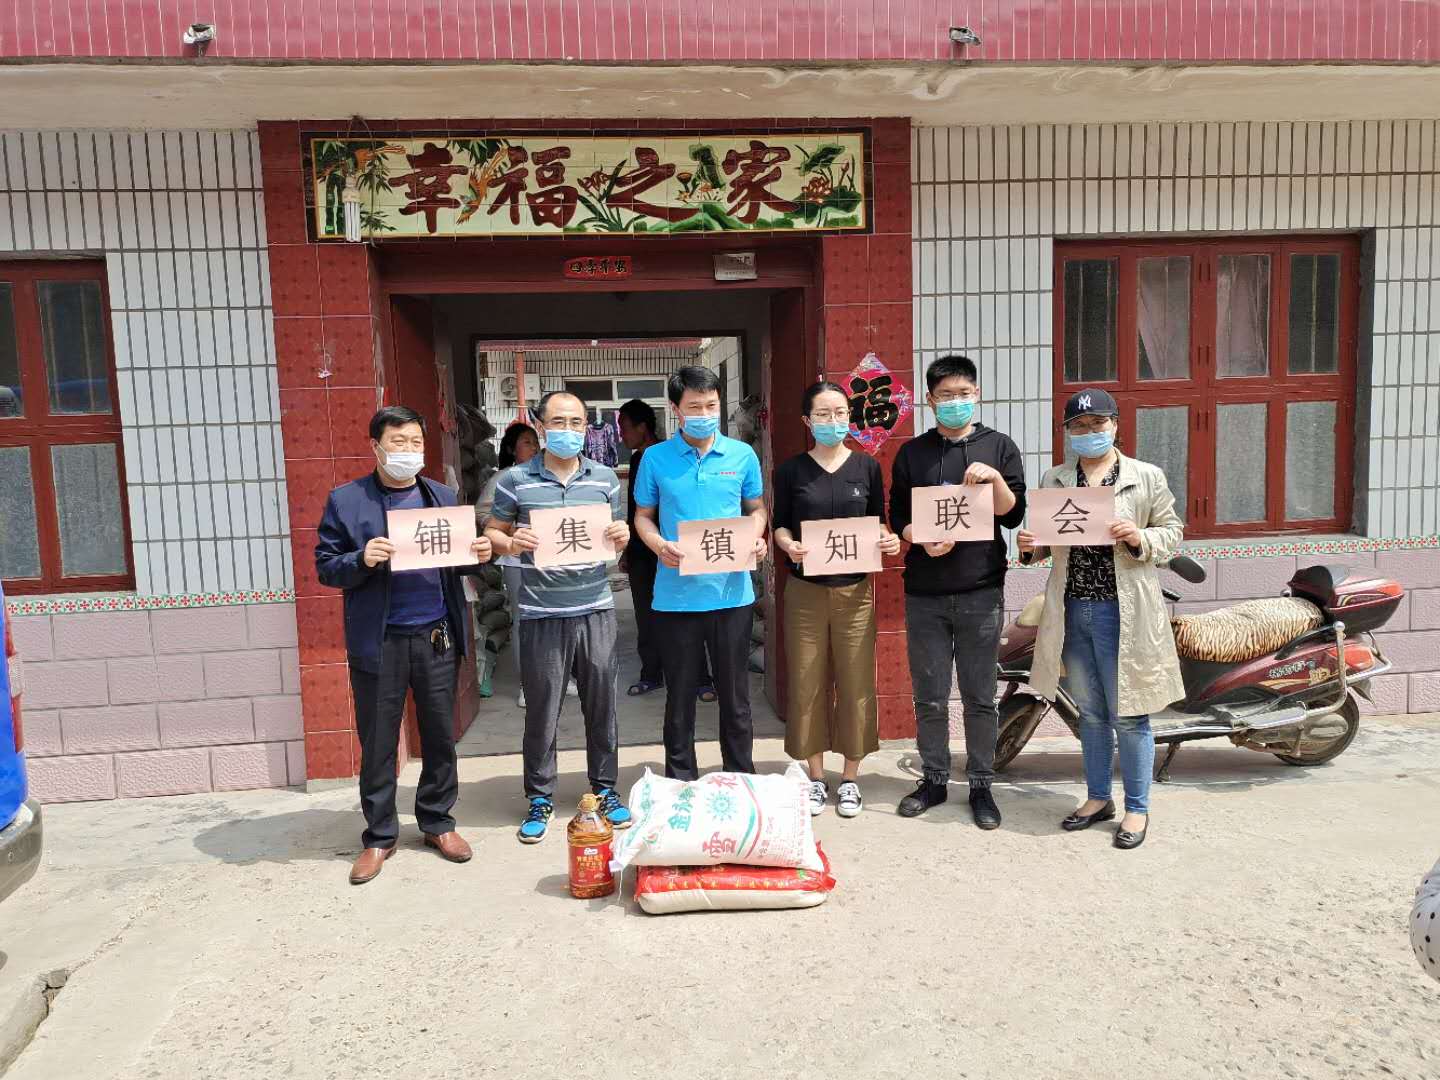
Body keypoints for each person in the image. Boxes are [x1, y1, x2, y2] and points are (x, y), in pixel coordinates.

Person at [315, 406, 492, 885]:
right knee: (378, 740)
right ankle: (379, 834)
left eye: (416, 442)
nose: (409, 450)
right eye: (398, 442)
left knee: (439, 734)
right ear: (375, 446)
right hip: (381, 639)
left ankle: (437, 821)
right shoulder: (347, 501)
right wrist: (361, 558)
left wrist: (478, 553)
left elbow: (457, 561)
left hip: (434, 633)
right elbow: (326, 566)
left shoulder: (441, 496)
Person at [1019, 388, 1185, 851]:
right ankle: (1097, 798)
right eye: (1078, 426)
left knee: (1129, 714)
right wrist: (1030, 545)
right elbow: (1046, 545)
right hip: (1073, 607)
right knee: (1090, 712)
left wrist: (1138, 536)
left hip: (1123, 610)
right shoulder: (1056, 478)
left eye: (1097, 424)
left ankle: (1137, 806)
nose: (1088, 432)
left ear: (1115, 425)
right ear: (1067, 432)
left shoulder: (1145, 476)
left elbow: (1172, 533)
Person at [485, 391, 633, 844]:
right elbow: (493, 532)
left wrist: (622, 533)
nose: (568, 430)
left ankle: (604, 788)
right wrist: (512, 543)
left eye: (576, 422)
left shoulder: (605, 478)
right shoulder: (515, 480)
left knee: (602, 705)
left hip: (595, 607)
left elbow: (617, 533)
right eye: (558, 422)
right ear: (541, 425)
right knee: (543, 708)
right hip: (540, 611)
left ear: (587, 427)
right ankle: (540, 796)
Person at [889, 354, 1026, 828]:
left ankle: (982, 784)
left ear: (977, 394)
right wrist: (918, 537)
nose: (955, 402)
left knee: (979, 696)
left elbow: (1013, 514)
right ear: (930, 400)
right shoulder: (913, 453)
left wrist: (994, 480)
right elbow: (897, 516)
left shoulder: (1000, 446)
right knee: (929, 696)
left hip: (980, 591)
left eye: (963, 393)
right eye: (945, 395)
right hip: (924, 594)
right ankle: (934, 778)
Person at [633, 365, 768, 780]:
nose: (705, 414)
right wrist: (659, 545)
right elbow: (643, 516)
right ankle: (680, 781)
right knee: (680, 696)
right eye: (695, 406)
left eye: (711, 405)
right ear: (676, 409)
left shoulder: (742, 455)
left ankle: (740, 776)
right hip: (676, 597)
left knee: (735, 696)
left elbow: (756, 509)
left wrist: (756, 537)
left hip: (732, 595)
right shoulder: (655, 458)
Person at [772, 381, 901, 817]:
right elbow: (781, 524)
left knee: (856, 681)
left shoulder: (866, 467)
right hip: (805, 591)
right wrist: (787, 545)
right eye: (823, 414)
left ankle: (849, 779)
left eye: (841, 413)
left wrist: (888, 540)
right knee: (806, 681)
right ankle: (815, 777)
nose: (834, 421)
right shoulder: (791, 471)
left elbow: (878, 522)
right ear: (807, 421)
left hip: (855, 592)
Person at [616, 399, 716, 701]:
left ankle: (700, 677)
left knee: (688, 613)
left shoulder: (665, 457)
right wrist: (628, 550)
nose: (622, 435)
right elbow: (636, 512)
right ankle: (652, 673)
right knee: (647, 615)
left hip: (677, 548)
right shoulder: (641, 458)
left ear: (642, 427)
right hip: (644, 550)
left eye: (625, 428)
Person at [477, 421, 576, 707]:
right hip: (519, 563)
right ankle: (528, 684)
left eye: (536, 442)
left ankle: (563, 677)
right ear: (511, 449)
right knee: (526, 622)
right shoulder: (506, 478)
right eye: (527, 442)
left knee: (559, 618)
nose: (534, 448)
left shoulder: (549, 476)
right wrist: (508, 532)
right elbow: (482, 511)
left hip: (555, 560)